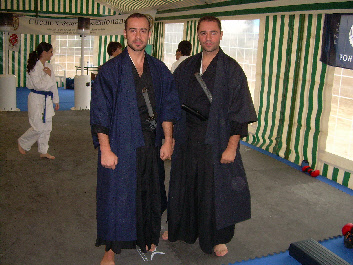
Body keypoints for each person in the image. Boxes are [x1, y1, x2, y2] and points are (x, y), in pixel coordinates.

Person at [90, 13, 181, 265]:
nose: (138, 36)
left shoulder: (160, 69)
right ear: (125, 33)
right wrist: (105, 149)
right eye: (133, 30)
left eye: (143, 31)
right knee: (115, 195)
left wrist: (168, 139)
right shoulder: (110, 70)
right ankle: (111, 248)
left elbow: (168, 107)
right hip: (120, 142)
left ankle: (147, 237)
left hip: (151, 142)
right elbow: (100, 112)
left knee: (149, 192)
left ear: (149, 34)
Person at [166, 16, 257, 257]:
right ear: (198, 35)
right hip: (187, 137)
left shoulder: (231, 69)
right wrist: (171, 137)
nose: (208, 38)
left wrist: (232, 147)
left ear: (221, 34)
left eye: (213, 33)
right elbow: (172, 103)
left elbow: (240, 111)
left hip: (216, 139)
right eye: (204, 33)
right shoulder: (186, 67)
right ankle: (182, 228)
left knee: (215, 191)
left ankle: (217, 238)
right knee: (185, 185)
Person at [18, 42, 59, 160]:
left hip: (47, 99)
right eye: (51, 52)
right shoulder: (34, 67)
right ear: (44, 53)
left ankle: (43, 151)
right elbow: (39, 85)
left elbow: (53, 85)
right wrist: (47, 76)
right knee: (38, 127)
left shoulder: (49, 66)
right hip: (36, 98)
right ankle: (22, 142)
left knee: (47, 127)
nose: (52, 54)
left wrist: (56, 99)